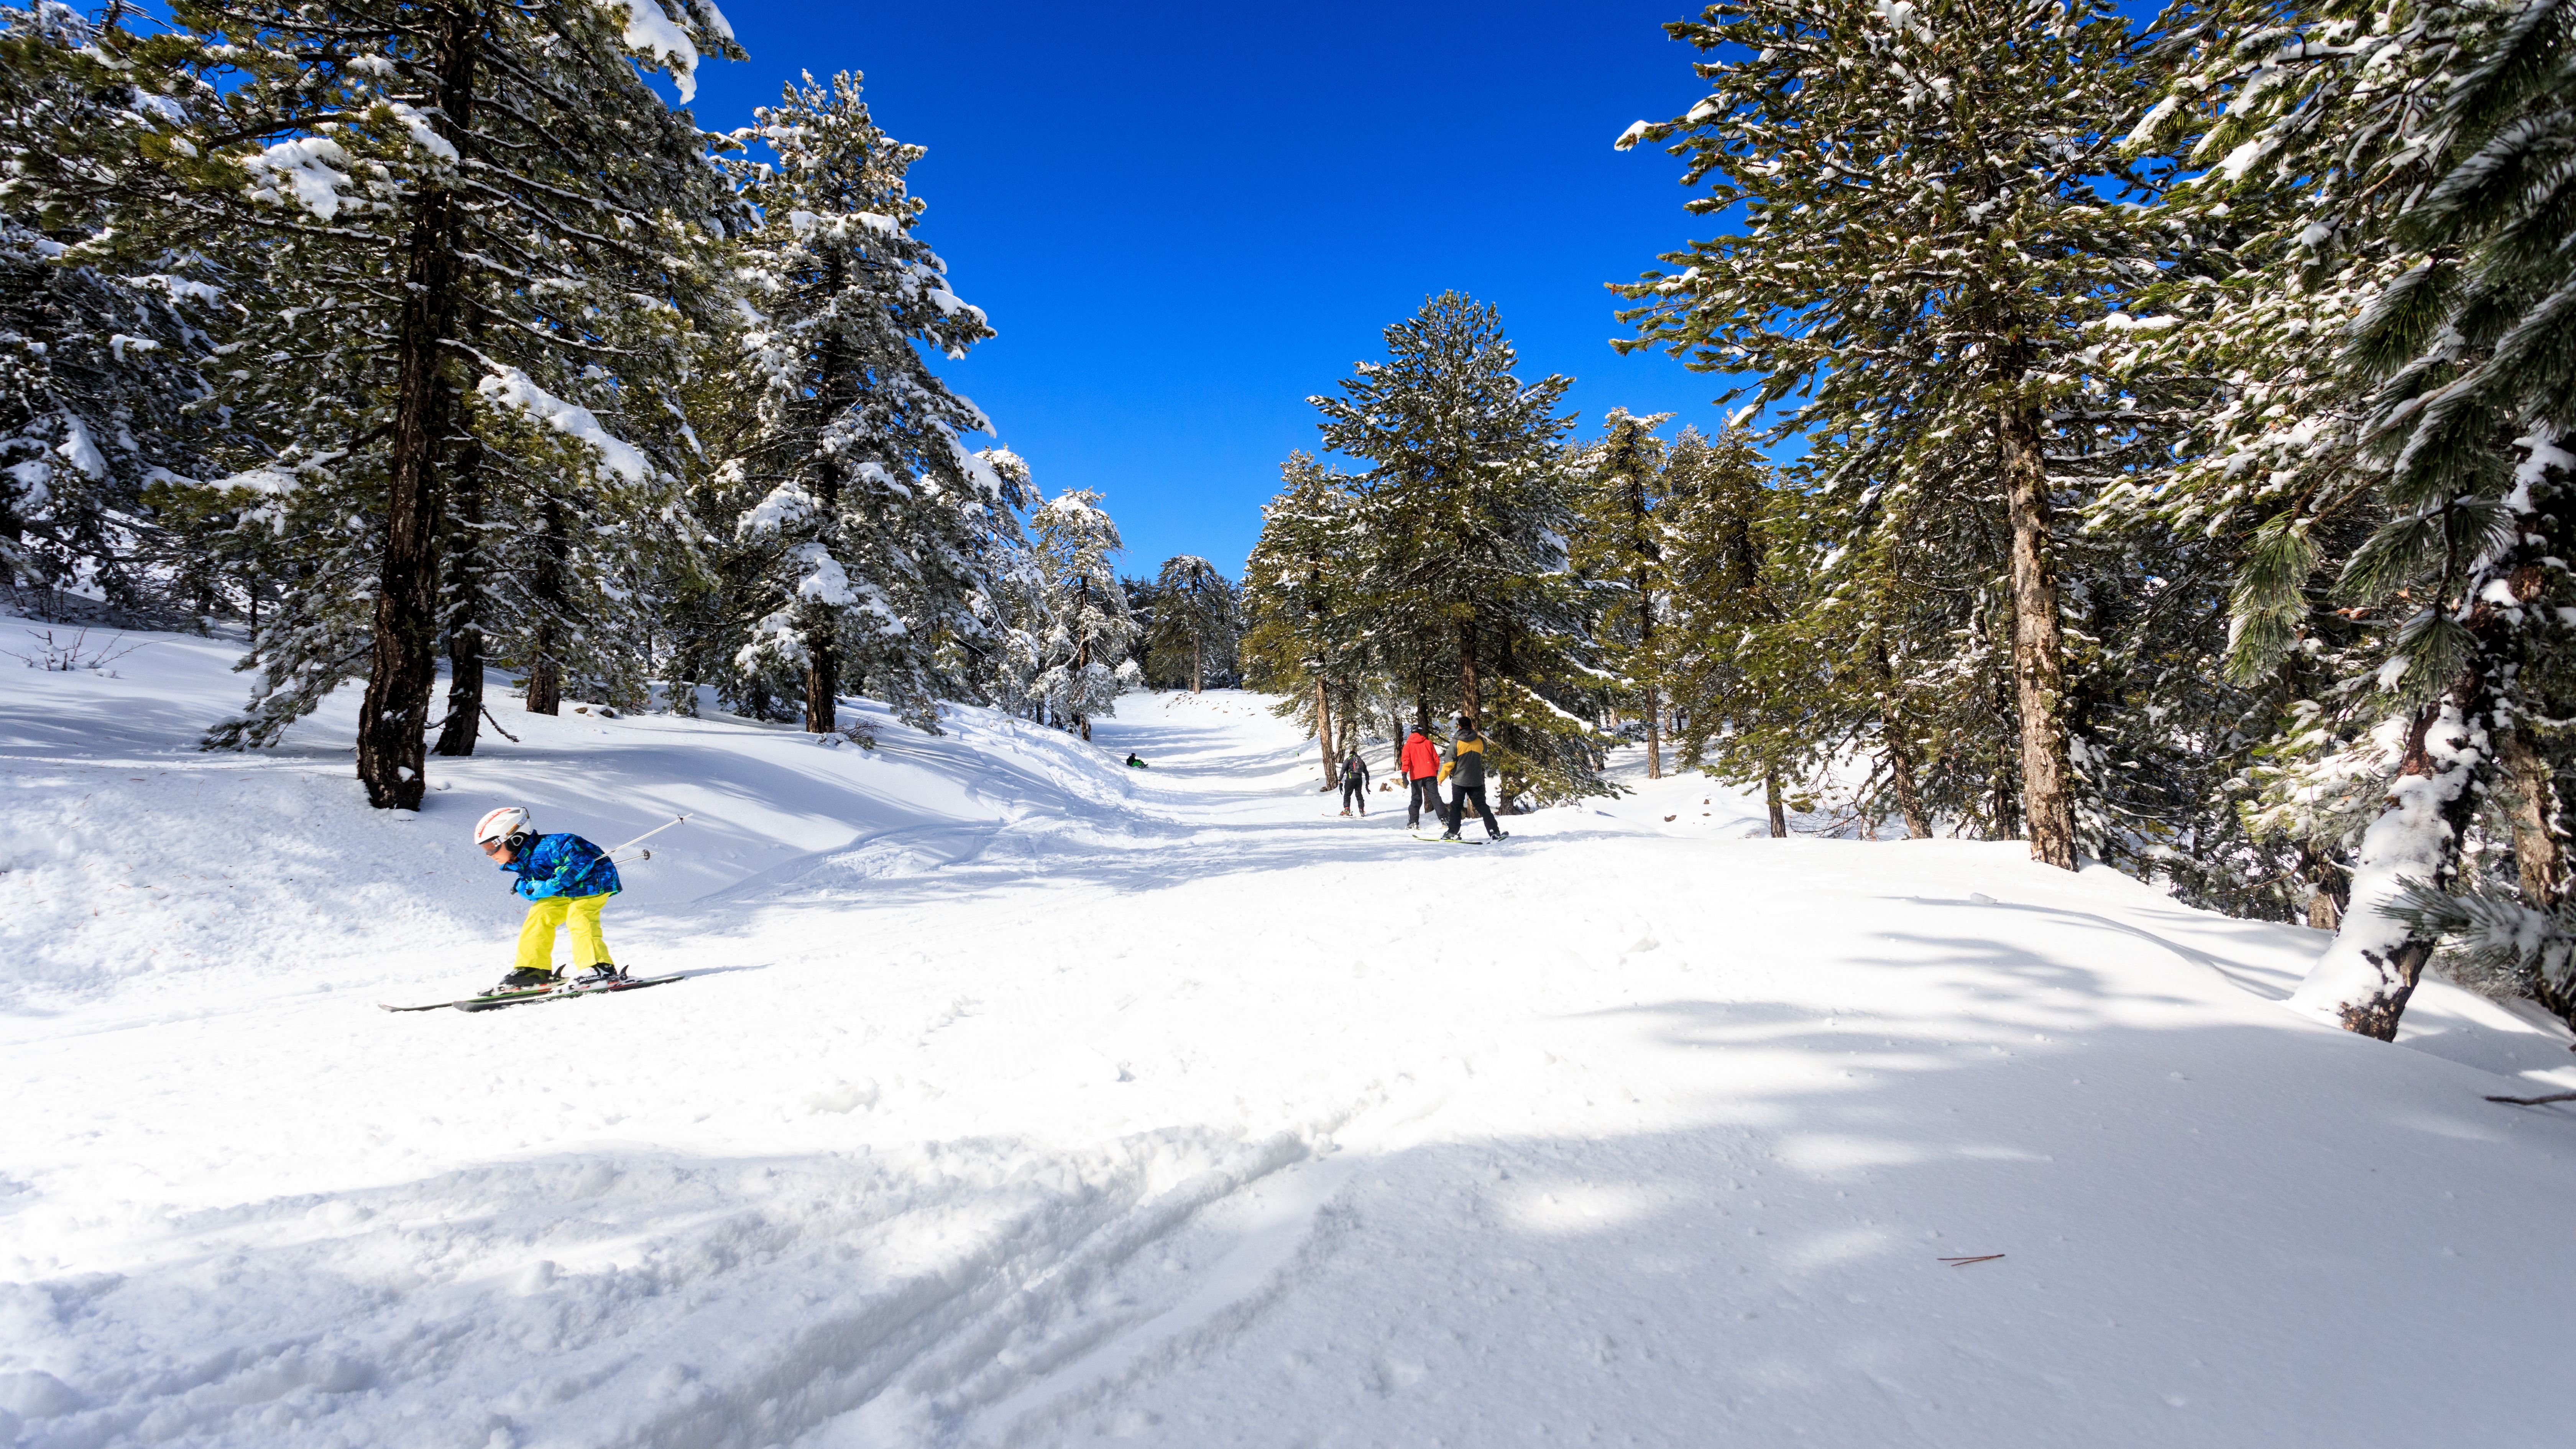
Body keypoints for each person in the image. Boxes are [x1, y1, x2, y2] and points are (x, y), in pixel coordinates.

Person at [474, 806, 623, 993]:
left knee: (579, 916)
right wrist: (527, 888)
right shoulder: (521, 858)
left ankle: (599, 968)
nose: (490, 855)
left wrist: (552, 884)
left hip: (593, 883)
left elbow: (581, 862)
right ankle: (533, 970)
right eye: (485, 849)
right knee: (538, 916)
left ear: (515, 839)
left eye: (491, 847)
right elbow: (529, 879)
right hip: (564, 892)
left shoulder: (557, 844)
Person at [1438, 716, 1508, 841]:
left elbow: (1449, 763)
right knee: (1482, 806)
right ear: (1471, 726)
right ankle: (1494, 831)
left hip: (1459, 781)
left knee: (1457, 807)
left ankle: (1452, 832)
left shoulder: (1456, 742)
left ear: (1459, 727)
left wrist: (1441, 778)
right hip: (1476, 780)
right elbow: (1485, 751)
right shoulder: (1479, 741)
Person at [1400, 724, 1442, 828]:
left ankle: (1413, 822)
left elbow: (1406, 761)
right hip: (1430, 774)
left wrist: (1404, 774)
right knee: (1435, 797)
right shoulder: (1428, 743)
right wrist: (1435, 772)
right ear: (1421, 733)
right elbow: (1436, 760)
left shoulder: (1408, 746)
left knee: (1416, 799)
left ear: (1411, 733)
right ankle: (1445, 820)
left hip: (1416, 776)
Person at [1338, 749, 1370, 816]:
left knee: (1347, 795)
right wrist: (1367, 781)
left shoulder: (1349, 759)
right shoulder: (1361, 761)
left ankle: (1347, 810)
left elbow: (1343, 769)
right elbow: (1366, 772)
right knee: (1359, 795)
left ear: (1350, 754)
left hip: (1350, 780)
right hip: (1359, 780)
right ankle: (1362, 810)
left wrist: (1340, 779)